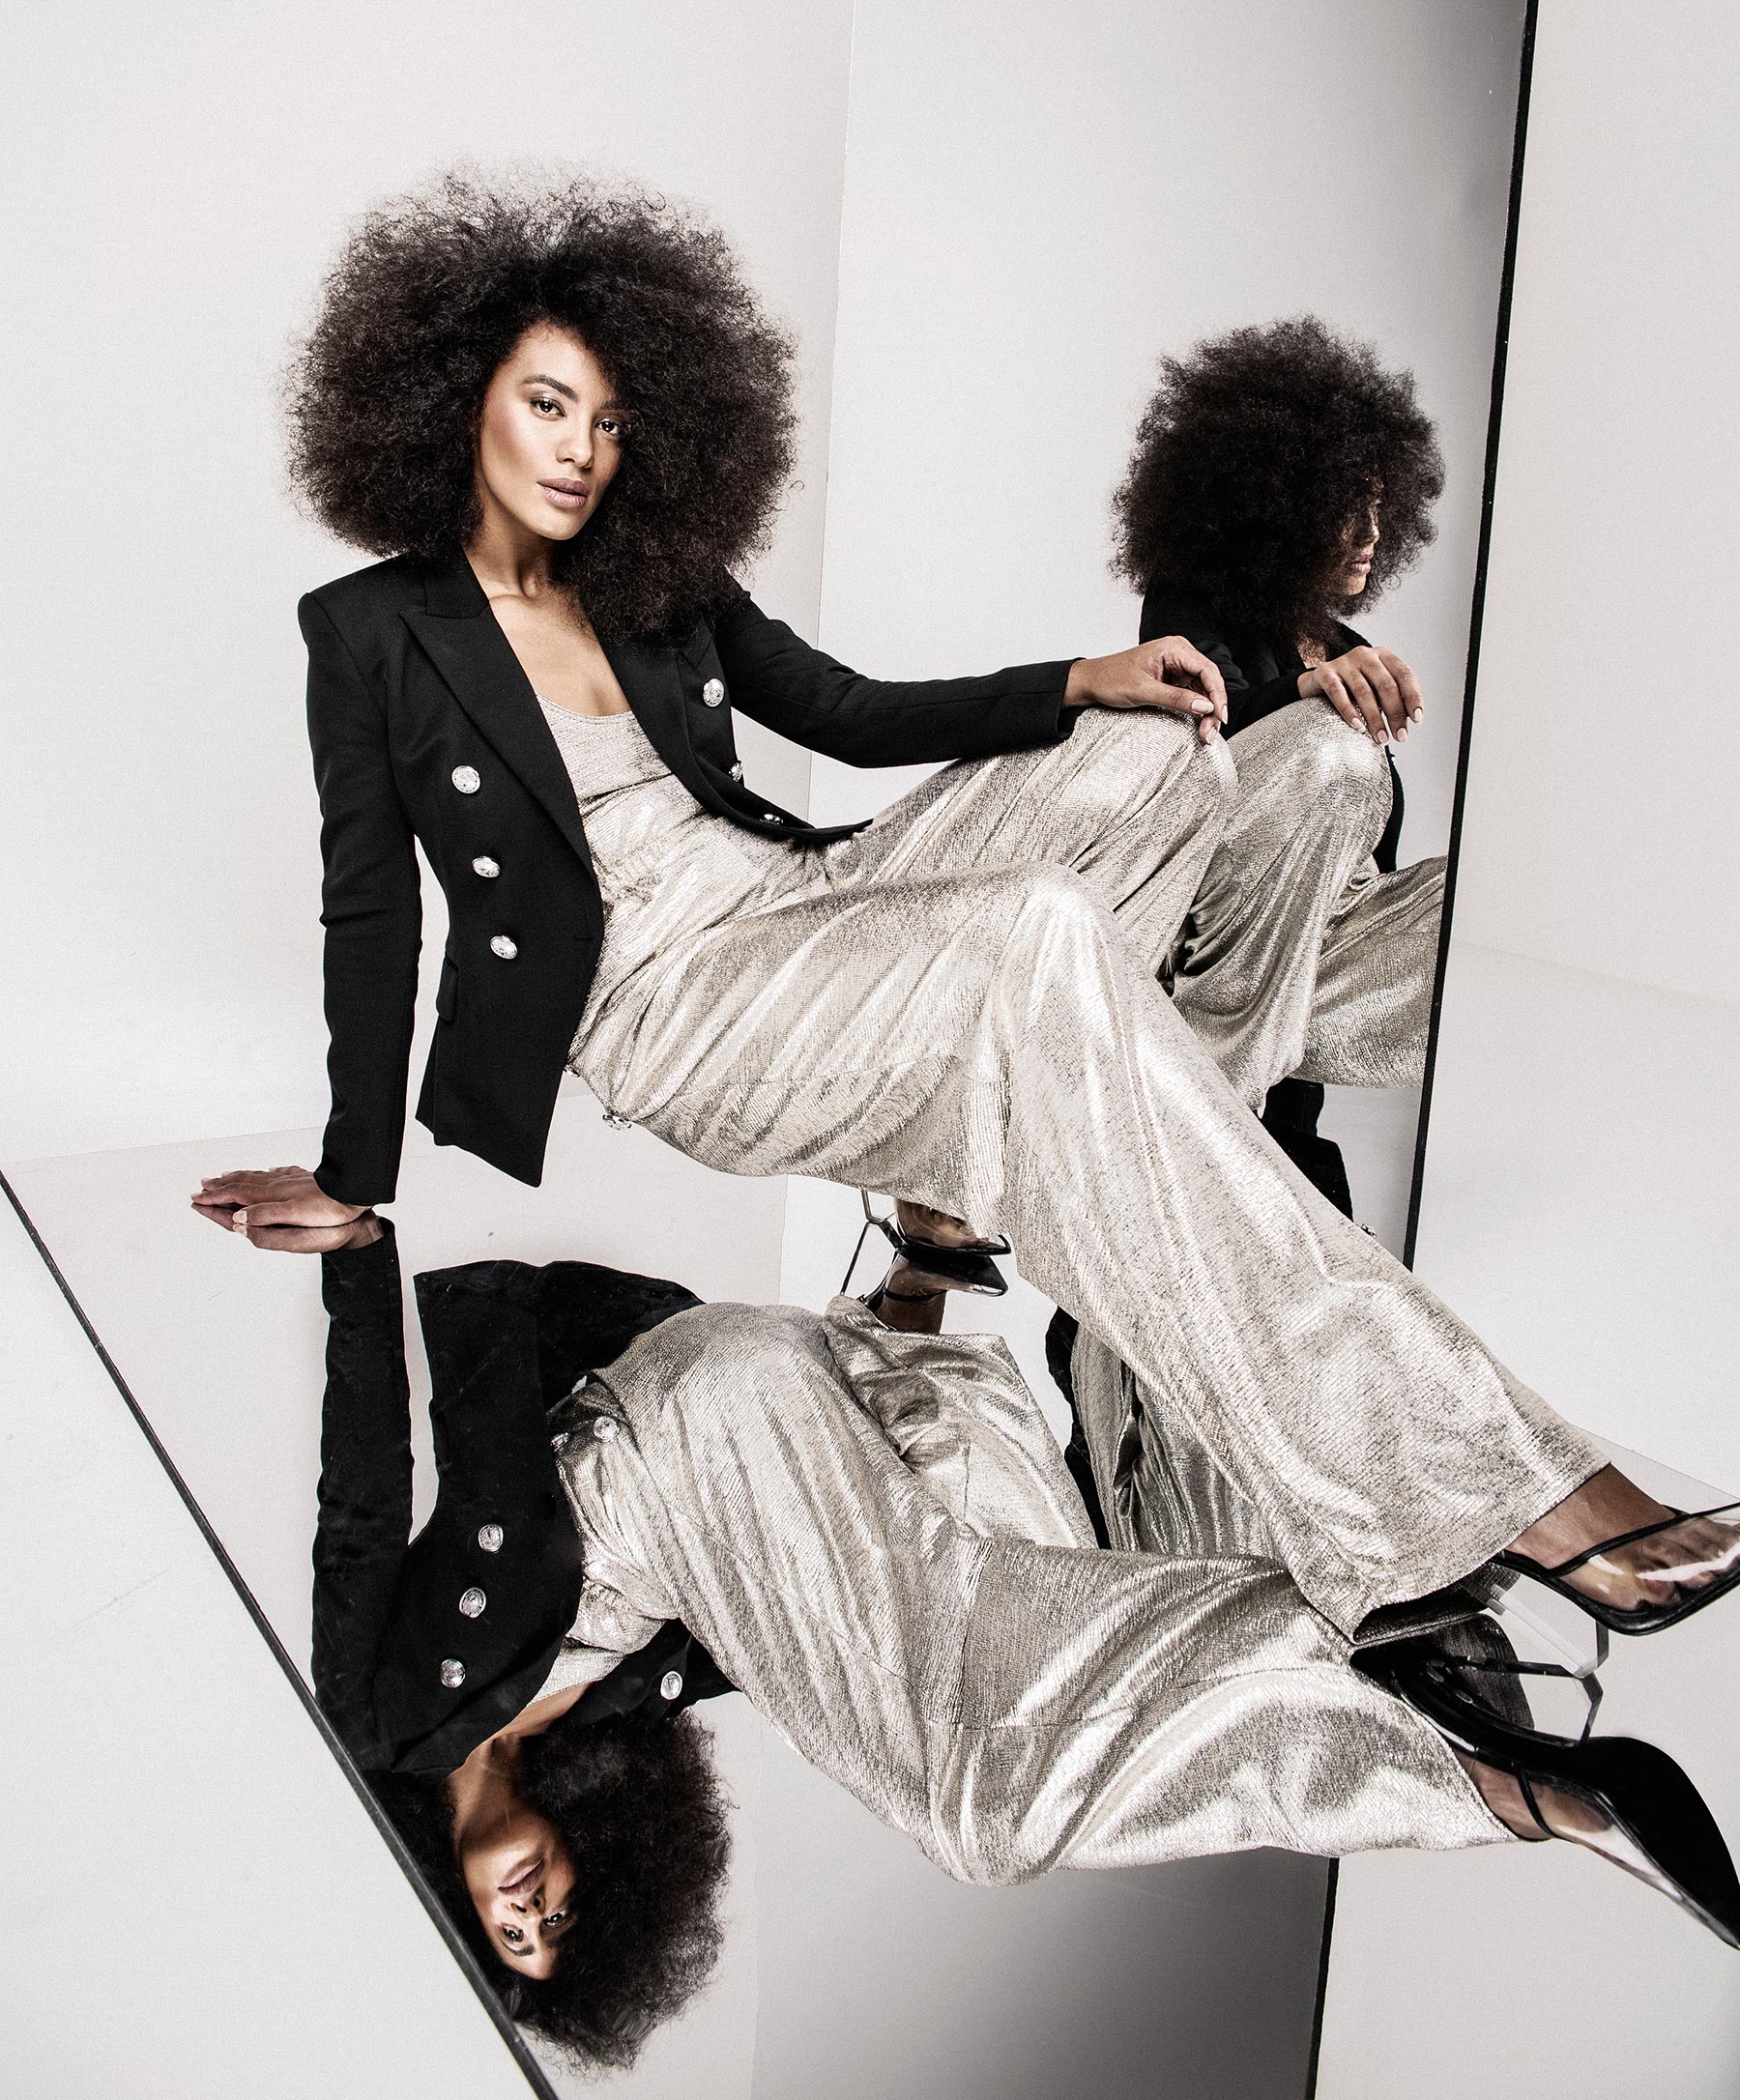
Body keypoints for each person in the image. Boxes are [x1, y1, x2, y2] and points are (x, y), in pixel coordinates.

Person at [212, 170, 1736, 1798]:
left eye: (609, 416)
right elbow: (370, 908)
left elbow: (845, 710)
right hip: (670, 1000)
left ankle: (1041, 1160)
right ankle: (1485, 1486)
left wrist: (1088, 678)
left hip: (794, 899)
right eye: (545, 404)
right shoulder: (371, 632)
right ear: (453, 402)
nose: (583, 448)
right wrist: (351, 1171)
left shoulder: (649, 578)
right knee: (1034, 933)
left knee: (1163, 750)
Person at [191, 1190, 1740, 2082]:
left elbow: (358, 1500)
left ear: (442, 1889)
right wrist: (917, 1292)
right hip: (858, 1402)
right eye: (552, 1934)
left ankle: (1484, 1762)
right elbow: (870, 1579)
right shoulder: (626, 1709)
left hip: (682, 1426)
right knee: (1048, 1604)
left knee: (972, 1805)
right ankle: (1344, 1558)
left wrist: (355, 1253)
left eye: (506, 1935)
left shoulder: (390, 1711)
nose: (533, 1914)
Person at [1113, 315, 1449, 1199]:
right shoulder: (1195, 601)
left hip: (1298, 1041)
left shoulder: (1352, 649)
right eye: (1344, 507)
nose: (1369, 532)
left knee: (1476, 902)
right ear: (1278, 507)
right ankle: (1190, 1127)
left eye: (1379, 505)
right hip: (1204, 957)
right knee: (1328, 752)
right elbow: (1201, 727)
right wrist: (1307, 693)